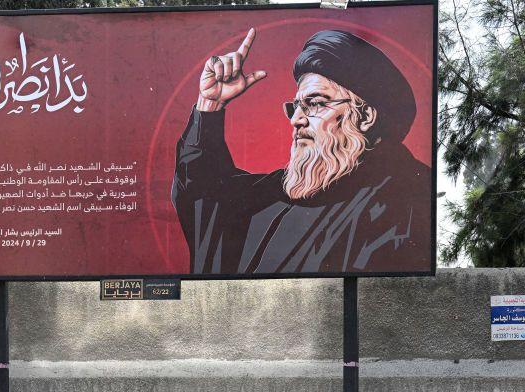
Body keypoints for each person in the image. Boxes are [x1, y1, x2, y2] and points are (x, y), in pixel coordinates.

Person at [172, 28, 431, 275]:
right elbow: (204, 196)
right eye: (295, 107)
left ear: (364, 117)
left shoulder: (404, 197)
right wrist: (210, 105)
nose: (296, 119)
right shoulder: (279, 190)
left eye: (314, 104)